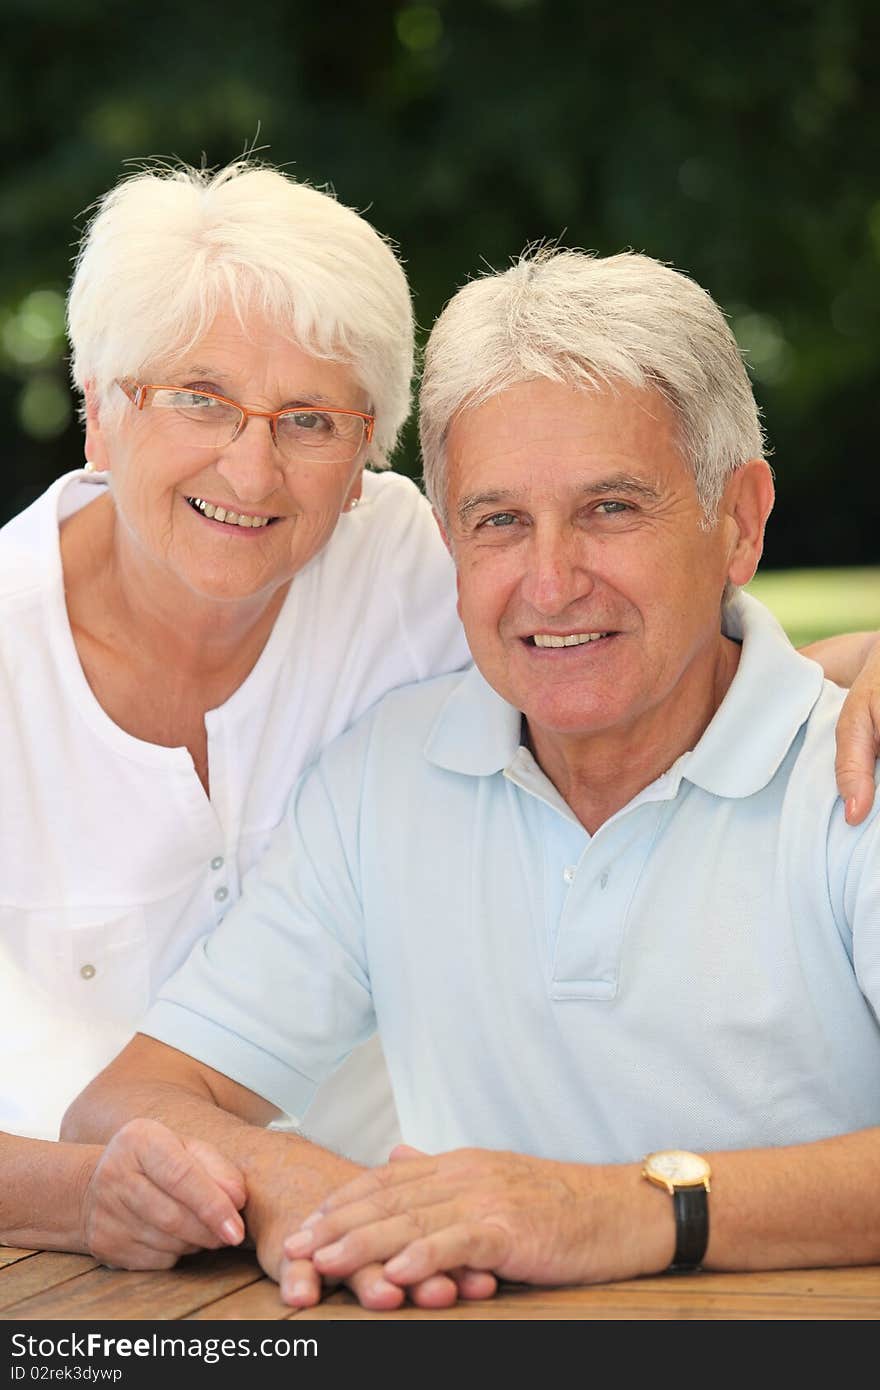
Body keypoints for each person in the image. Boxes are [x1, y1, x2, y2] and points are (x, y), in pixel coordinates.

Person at [64, 246, 880, 1309]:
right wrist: (306, 1190)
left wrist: (624, 1208)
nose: (549, 581)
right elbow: (132, 1098)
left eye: (610, 509)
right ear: (447, 536)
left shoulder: (854, 772)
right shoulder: (386, 777)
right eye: (498, 522)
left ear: (740, 520)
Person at [0, 156, 472, 1265]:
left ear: (364, 457)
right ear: (100, 415)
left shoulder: (413, 564)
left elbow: (677, 666)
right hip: (66, 1282)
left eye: (310, 419)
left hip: (395, 1246)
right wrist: (84, 1199)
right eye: (198, 399)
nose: (251, 469)